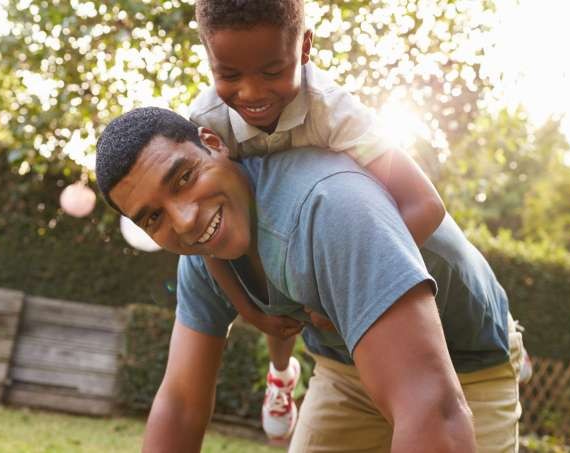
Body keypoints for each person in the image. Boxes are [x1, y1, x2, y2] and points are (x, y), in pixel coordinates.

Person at [95, 107, 524, 453]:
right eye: (154, 217)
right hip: (344, 369)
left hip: (467, 363)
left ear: (213, 144)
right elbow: (182, 405)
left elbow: (432, 411)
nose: (185, 220)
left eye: (185, 177)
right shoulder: (205, 257)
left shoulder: (325, 205)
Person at [189, 0, 446, 438]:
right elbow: (206, 234)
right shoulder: (208, 122)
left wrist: (349, 290)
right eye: (229, 75)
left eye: (272, 72)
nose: (250, 92)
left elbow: (425, 206)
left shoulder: (334, 112)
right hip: (269, 235)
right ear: (208, 57)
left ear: (305, 47)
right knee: (270, 271)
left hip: (331, 227)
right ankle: (281, 373)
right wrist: (251, 312)